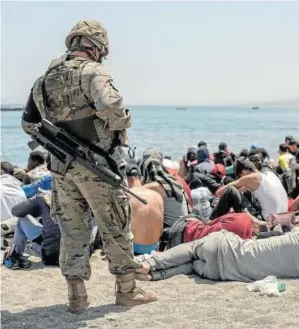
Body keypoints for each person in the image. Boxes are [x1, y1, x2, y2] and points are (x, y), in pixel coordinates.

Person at [21, 20, 156, 313]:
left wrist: (57, 137)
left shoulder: (42, 81)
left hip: (61, 167)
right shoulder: (93, 71)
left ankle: (77, 298)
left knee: (73, 231)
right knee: (115, 226)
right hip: (97, 166)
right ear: (95, 47)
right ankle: (127, 290)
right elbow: (114, 110)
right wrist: (119, 121)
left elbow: (28, 123)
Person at [135, 229, 299, 282]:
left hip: (225, 248)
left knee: (191, 249)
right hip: (219, 273)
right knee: (191, 266)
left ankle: (151, 263)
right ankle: (154, 276)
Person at [212, 158, 288, 220]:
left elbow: (219, 192)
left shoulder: (252, 178)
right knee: (246, 191)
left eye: (239, 177)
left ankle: (211, 220)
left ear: (244, 172)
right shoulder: (269, 174)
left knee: (230, 190)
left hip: (268, 219)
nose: (240, 179)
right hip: (282, 214)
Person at [5, 192, 61, 268]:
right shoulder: (75, 198)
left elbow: (15, 211)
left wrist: (33, 202)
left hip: (50, 257)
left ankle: (15, 255)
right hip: (72, 256)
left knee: (21, 220)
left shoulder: (44, 197)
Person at [140, 154, 188, 229]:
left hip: (172, 229)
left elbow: (135, 191)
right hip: (184, 224)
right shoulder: (173, 181)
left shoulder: (155, 186)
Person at [126, 161, 163, 255]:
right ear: (141, 178)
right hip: (155, 247)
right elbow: (161, 229)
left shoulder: (126, 196)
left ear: (125, 179)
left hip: (135, 249)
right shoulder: (157, 195)